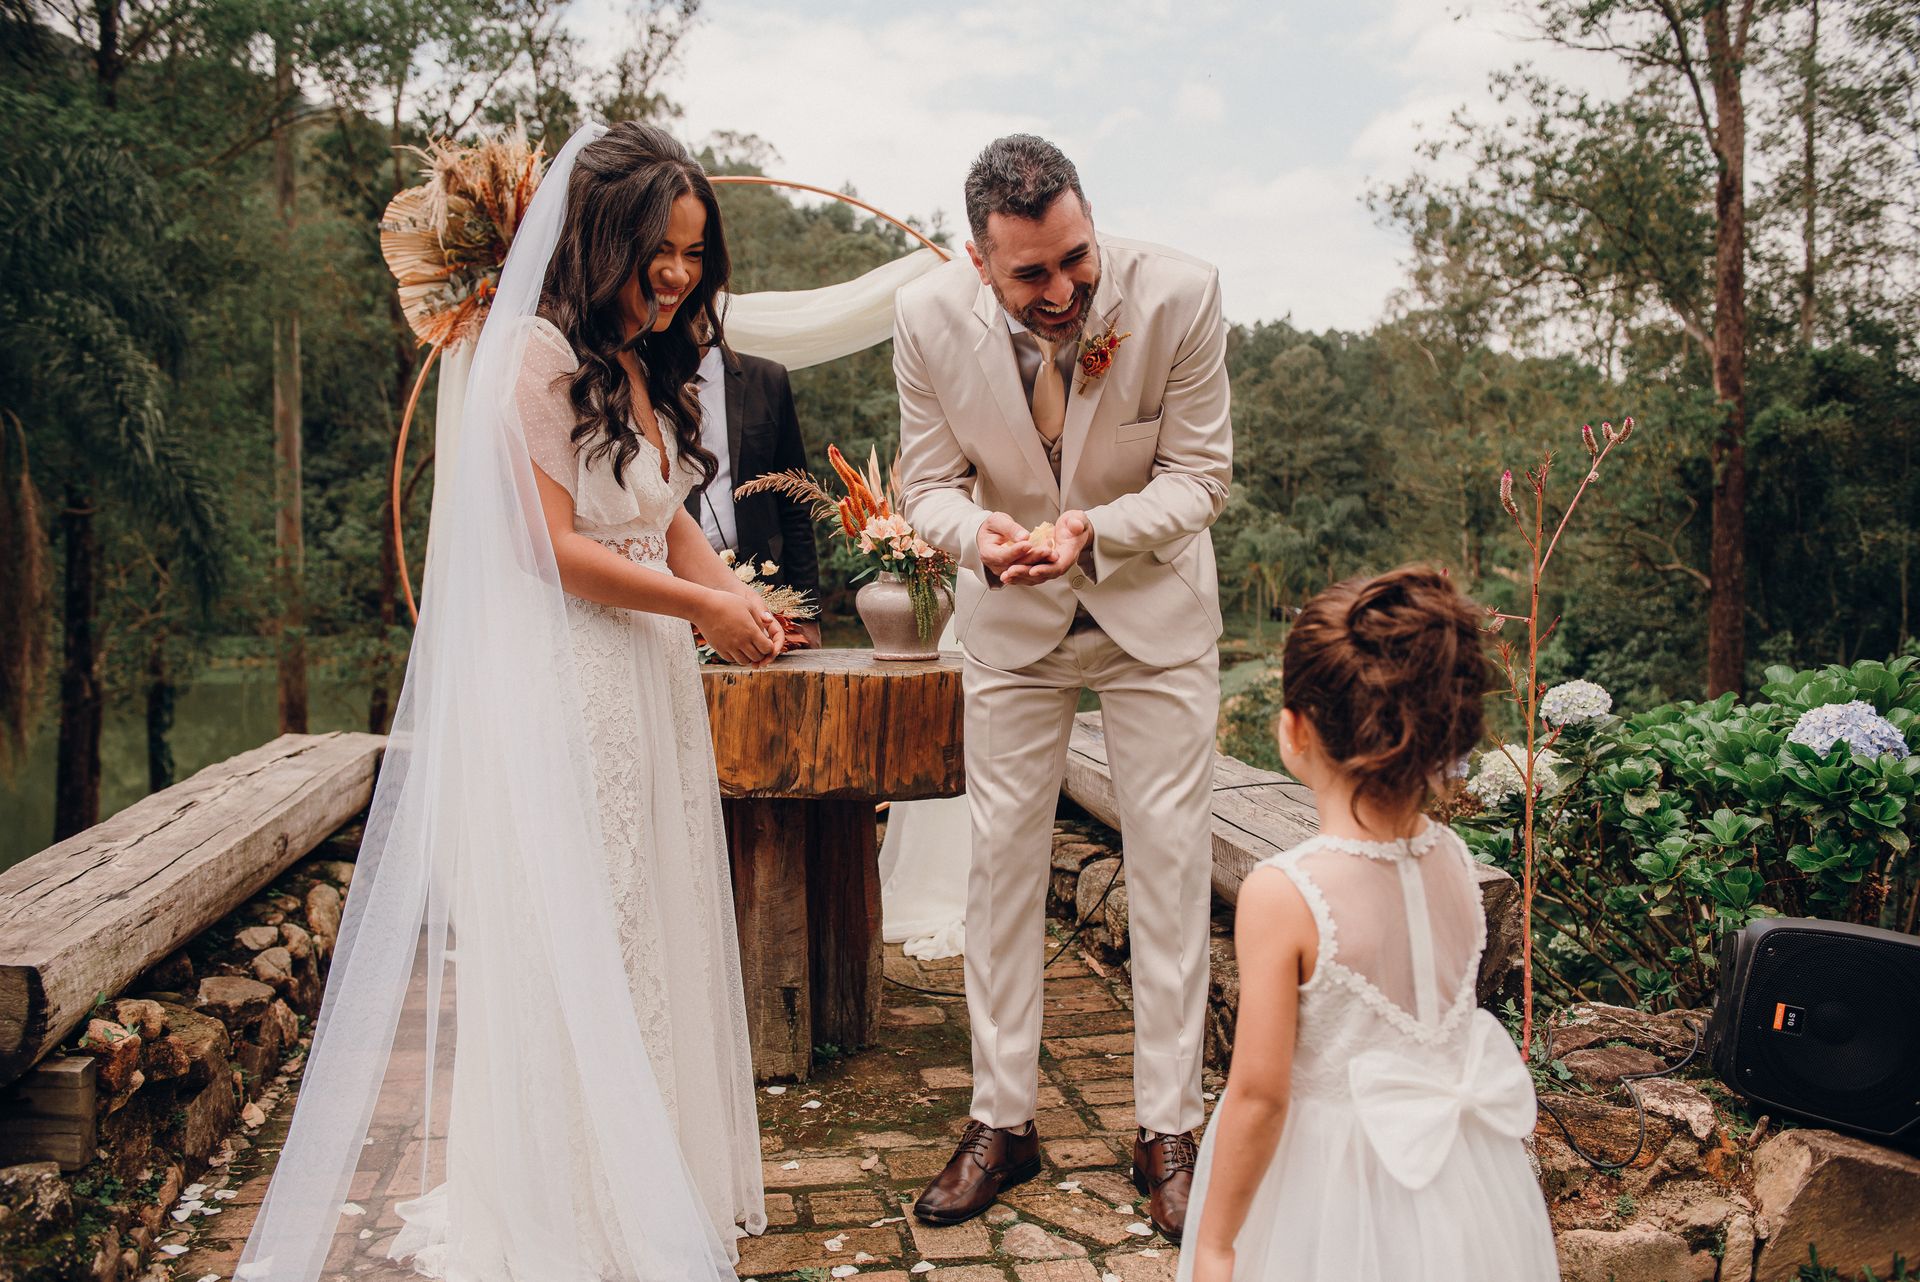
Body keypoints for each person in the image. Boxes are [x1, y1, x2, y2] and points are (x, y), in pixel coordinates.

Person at [235, 122, 774, 1282]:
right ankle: (570, 1207)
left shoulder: (637, 359)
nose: (680, 275)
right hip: (576, 678)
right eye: (660, 251)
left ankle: (652, 1172)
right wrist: (700, 611)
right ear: (602, 240)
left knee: (661, 913)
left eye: (694, 252)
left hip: (651, 677)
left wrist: (737, 600)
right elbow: (551, 550)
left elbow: (668, 513)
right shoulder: (530, 356)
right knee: (592, 922)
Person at [893, 133, 1231, 1239]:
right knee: (999, 868)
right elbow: (926, 483)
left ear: (1090, 224)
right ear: (979, 260)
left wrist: (1090, 532)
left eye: (1075, 259)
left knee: (1172, 867)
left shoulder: (1180, 295)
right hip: (1010, 623)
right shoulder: (926, 319)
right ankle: (1004, 1121)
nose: (1063, 290)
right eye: (1031, 273)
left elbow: (1200, 477)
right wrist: (975, 540)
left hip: (1154, 617)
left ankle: (1169, 1128)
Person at [1181, 567, 1559, 1282]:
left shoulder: (1284, 894)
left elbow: (1259, 1097)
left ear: (1294, 728)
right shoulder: (1454, 862)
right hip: (1461, 1186)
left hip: (1327, 1194)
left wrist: (1218, 1242)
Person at [685, 335, 823, 646]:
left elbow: (795, 503)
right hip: (677, 592)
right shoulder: (639, 382)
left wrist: (807, 615)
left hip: (767, 588)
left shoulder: (767, 379)